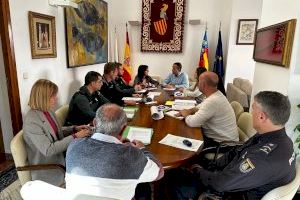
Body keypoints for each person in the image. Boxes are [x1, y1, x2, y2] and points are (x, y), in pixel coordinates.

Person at [165, 91, 296, 200]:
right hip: (232, 179)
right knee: (181, 171)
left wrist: (198, 170)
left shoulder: (263, 158)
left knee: (172, 180)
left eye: (253, 109)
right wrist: (211, 166)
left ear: (261, 117)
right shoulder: (276, 138)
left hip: (231, 193)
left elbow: (221, 184)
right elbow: (237, 151)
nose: (251, 113)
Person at [65, 104, 164, 200]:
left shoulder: (74, 145)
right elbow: (159, 173)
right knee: (143, 188)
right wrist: (142, 149)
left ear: (94, 123)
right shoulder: (132, 155)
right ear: (124, 129)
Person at [23, 79, 90, 186]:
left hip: (62, 156)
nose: (56, 98)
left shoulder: (48, 111)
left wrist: (74, 129)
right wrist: (75, 136)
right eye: (53, 96)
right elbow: (48, 150)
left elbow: (55, 131)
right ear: (43, 98)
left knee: (89, 158)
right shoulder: (31, 121)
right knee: (86, 170)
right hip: (49, 166)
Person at [178, 71, 238, 148]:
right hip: (222, 139)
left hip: (223, 145)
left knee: (183, 139)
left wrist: (185, 114)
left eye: (198, 81)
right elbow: (200, 106)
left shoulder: (213, 101)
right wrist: (189, 111)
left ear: (203, 84)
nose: (197, 83)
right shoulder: (216, 94)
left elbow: (192, 122)